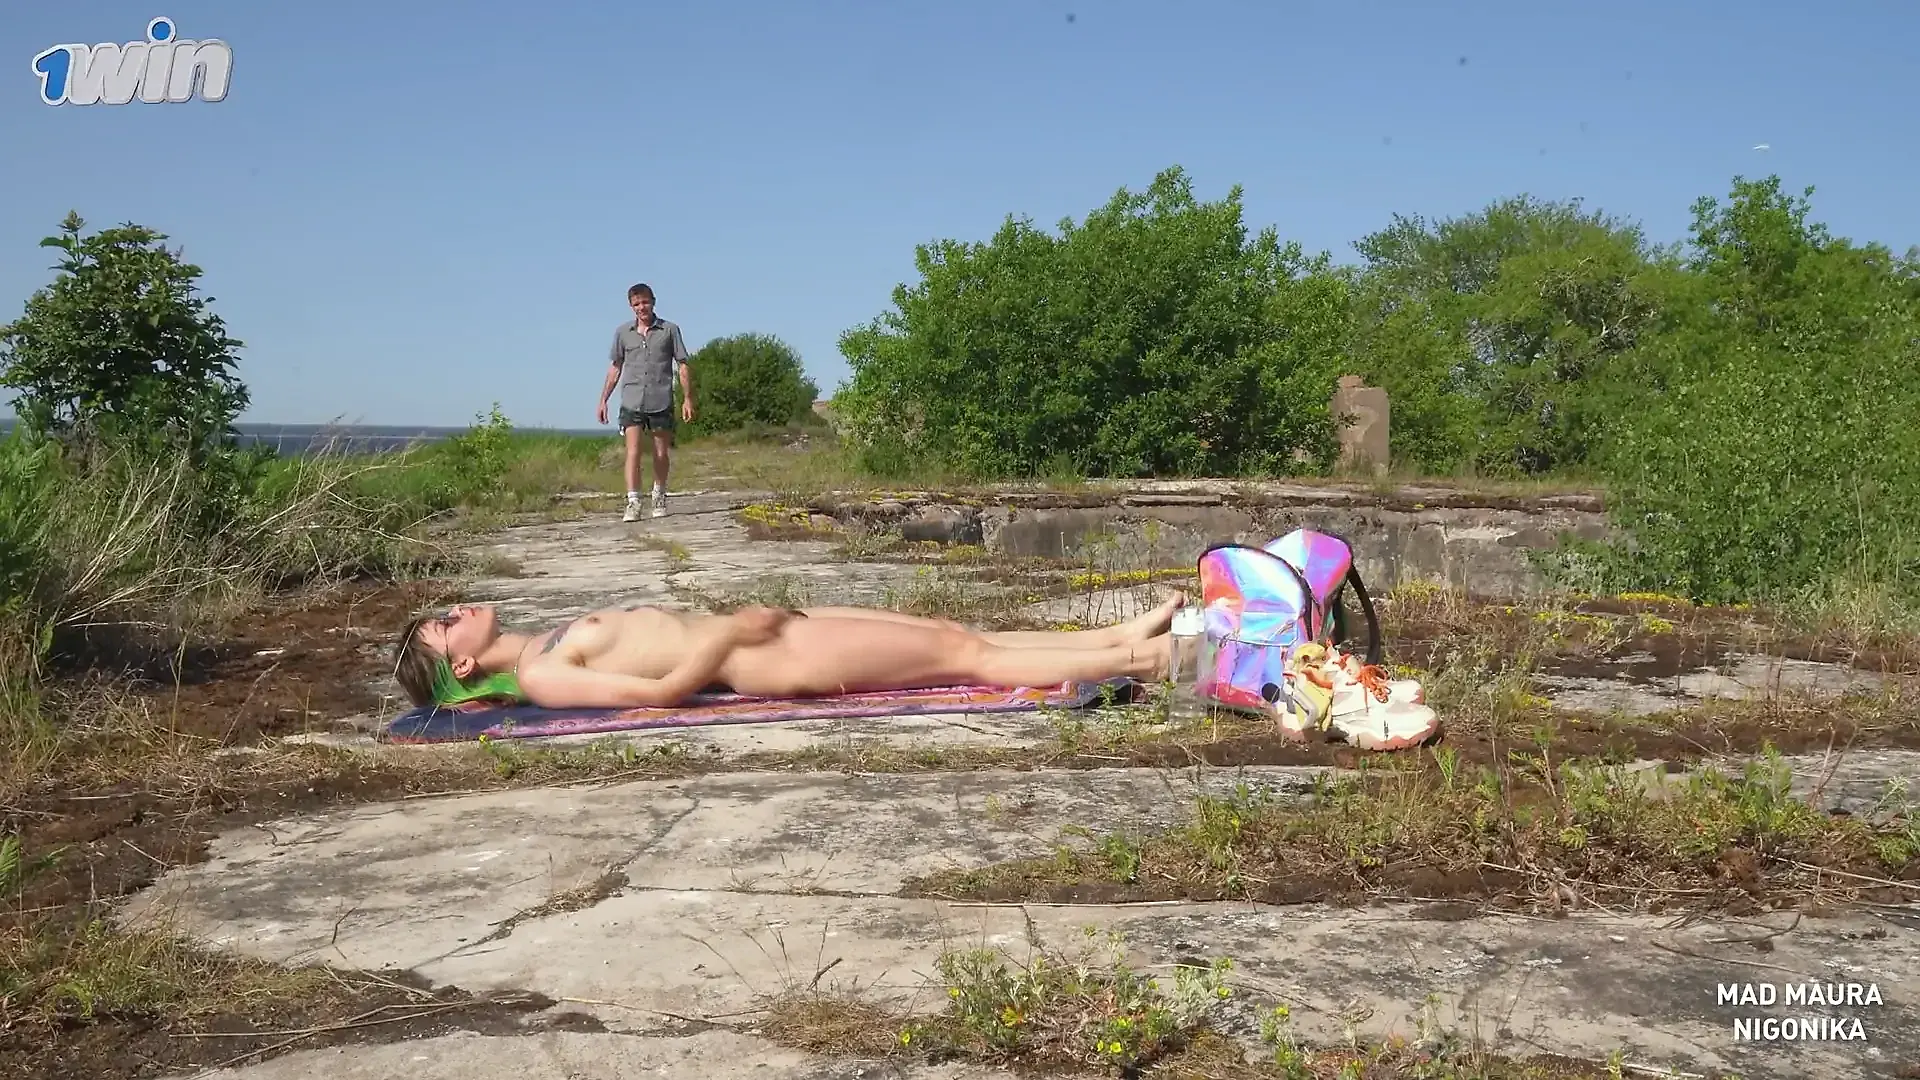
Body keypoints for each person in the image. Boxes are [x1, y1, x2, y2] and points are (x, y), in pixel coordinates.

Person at [390, 595, 1192, 711]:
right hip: (759, 657)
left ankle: (1119, 638)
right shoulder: (540, 674)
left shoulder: (549, 638)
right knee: (964, 656)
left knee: (949, 633)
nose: (457, 610)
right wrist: (731, 636)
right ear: (462, 665)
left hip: (758, 631)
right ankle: (1154, 664)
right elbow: (660, 694)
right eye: (444, 625)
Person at [597, 283, 694, 521]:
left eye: (645, 302)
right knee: (633, 452)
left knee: (660, 452)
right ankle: (633, 502)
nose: (642, 307)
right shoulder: (623, 332)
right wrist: (603, 400)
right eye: (637, 304)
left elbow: (682, 365)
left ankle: (659, 495)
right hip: (632, 399)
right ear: (631, 306)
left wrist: (687, 398)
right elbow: (615, 367)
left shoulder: (669, 330)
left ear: (653, 302)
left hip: (660, 398)